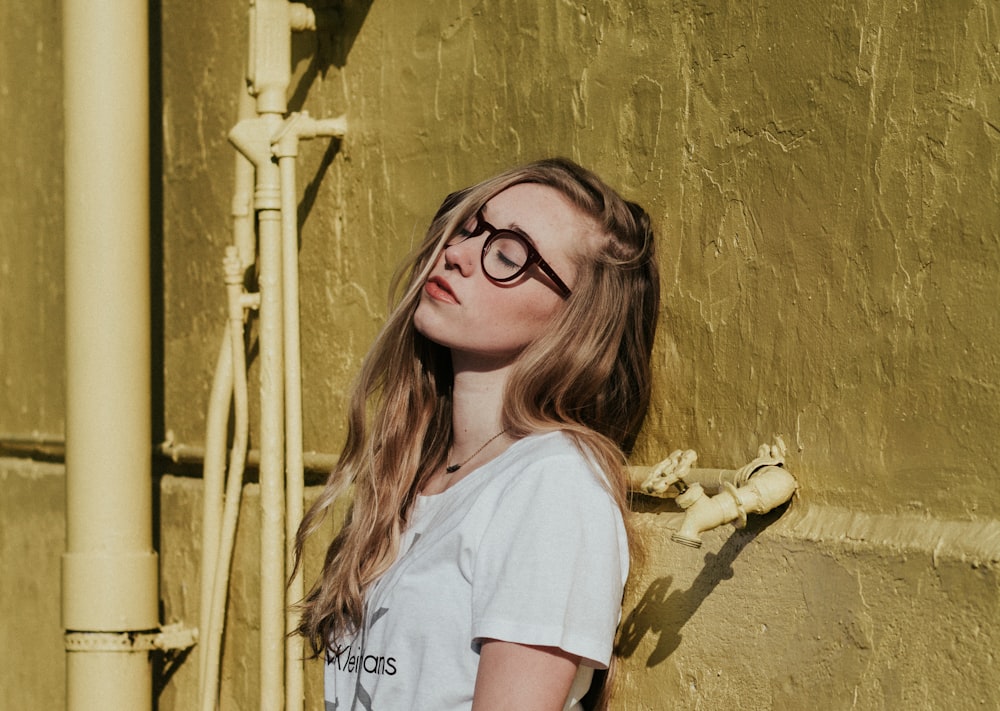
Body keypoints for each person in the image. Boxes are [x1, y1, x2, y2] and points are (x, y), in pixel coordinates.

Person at [294, 157, 660, 710]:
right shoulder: (416, 472)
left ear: (575, 319)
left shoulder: (552, 488)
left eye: (508, 254)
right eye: (468, 227)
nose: (458, 254)